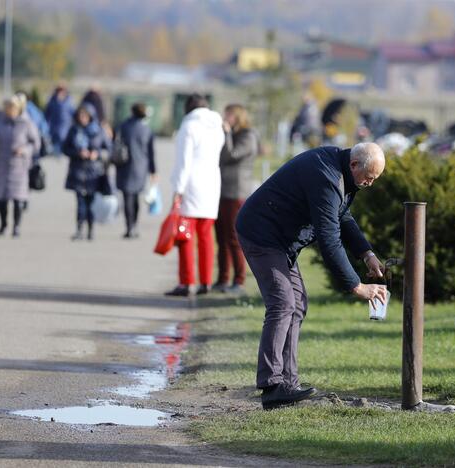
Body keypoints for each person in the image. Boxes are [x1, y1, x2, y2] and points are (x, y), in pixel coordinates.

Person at [235, 142, 388, 409]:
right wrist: (355, 286)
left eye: (373, 180)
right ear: (354, 165)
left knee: (297, 305)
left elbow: (342, 215)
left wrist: (366, 253)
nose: (369, 184)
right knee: (283, 303)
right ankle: (271, 385)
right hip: (261, 233)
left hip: (281, 240)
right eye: (368, 178)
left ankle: (288, 384)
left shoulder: (340, 170)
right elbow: (329, 239)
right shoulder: (326, 176)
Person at [166, 94, 225, 297]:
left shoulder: (189, 126)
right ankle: (206, 281)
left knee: (185, 235)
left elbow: (184, 162)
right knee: (206, 237)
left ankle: (186, 281)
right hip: (212, 183)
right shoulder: (217, 127)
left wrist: (178, 190)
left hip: (192, 184)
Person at [214, 104, 259, 295]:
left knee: (233, 239)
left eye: (229, 115)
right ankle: (223, 278)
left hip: (236, 193)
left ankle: (239, 281)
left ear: (237, 116)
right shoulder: (234, 134)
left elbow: (230, 155)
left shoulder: (247, 136)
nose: (225, 118)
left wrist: (226, 134)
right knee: (221, 238)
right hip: (222, 191)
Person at [0, 95, 40, 237]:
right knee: (1, 198)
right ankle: (3, 224)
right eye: (7, 108)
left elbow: (36, 144)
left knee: (18, 198)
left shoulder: (26, 123)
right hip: (2, 164)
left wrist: (25, 150)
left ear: (18, 109)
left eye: (12, 108)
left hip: (19, 166)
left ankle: (16, 226)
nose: (9, 110)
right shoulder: (0, 123)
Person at [62, 104, 111, 241]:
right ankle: (79, 230)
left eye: (85, 115)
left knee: (91, 204)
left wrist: (97, 154)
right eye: (80, 115)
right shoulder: (74, 130)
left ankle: (91, 230)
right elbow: (65, 148)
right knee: (80, 203)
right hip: (77, 172)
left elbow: (109, 149)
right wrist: (77, 153)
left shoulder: (98, 131)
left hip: (94, 173)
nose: (82, 118)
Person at [115, 102, 157, 239]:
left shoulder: (123, 126)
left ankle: (129, 227)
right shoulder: (146, 130)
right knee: (136, 197)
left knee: (127, 197)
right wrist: (153, 170)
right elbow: (151, 153)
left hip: (124, 165)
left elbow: (115, 144)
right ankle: (134, 225)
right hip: (140, 167)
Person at [45, 85, 75, 155]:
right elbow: (47, 115)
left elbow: (74, 114)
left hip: (66, 129)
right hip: (54, 129)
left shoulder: (69, 103)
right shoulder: (52, 102)